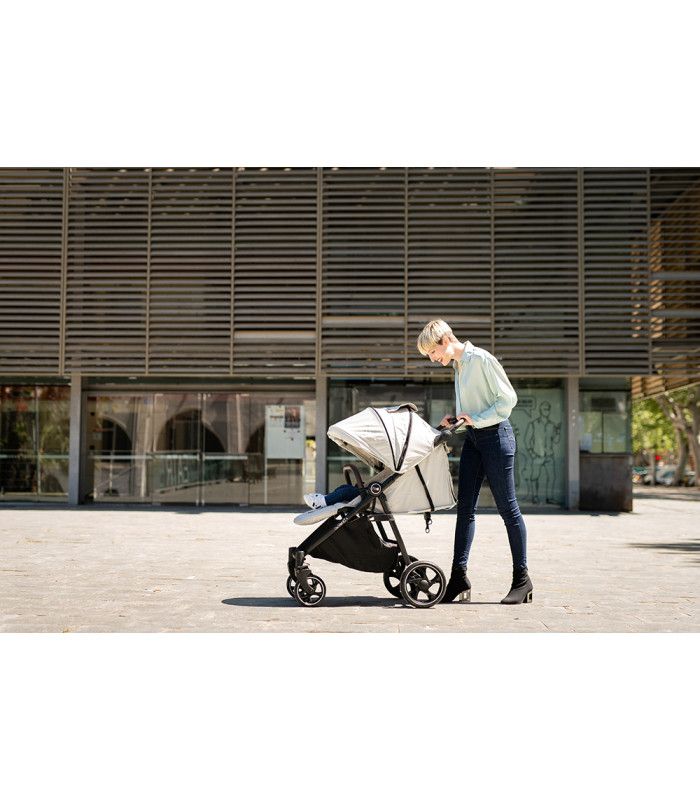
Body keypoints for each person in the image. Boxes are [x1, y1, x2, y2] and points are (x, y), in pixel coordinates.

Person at [417, 319, 533, 604]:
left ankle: (522, 580)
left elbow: (507, 400)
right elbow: (475, 411)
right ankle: (459, 578)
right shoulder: (459, 366)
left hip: (497, 438)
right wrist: (456, 420)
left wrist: (476, 419)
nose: (433, 359)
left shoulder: (481, 359)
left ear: (445, 341)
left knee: (508, 510)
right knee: (465, 509)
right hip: (473, 439)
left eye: (433, 352)